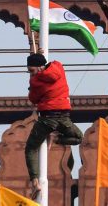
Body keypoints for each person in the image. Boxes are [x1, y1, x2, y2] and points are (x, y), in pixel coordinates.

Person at [24, 52, 83, 198]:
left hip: (47, 119)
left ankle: (35, 183)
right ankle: (57, 138)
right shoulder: (59, 67)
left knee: (31, 148)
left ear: (38, 68)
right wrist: (42, 57)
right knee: (79, 137)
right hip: (64, 118)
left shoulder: (36, 81)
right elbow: (50, 65)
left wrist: (32, 83)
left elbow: (33, 99)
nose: (31, 73)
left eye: (31, 70)